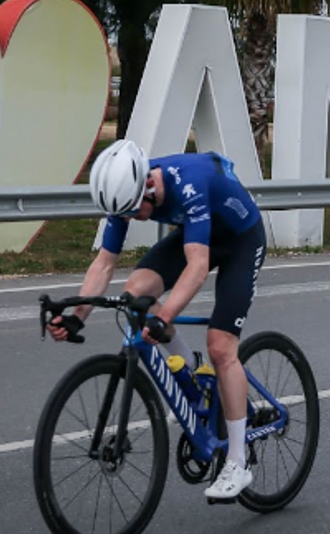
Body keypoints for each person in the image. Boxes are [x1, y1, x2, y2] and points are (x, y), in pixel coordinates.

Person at [47, 139, 267, 499]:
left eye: (135, 211)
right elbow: (104, 263)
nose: (131, 219)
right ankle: (190, 365)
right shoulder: (125, 194)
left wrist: (165, 316)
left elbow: (197, 268)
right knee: (135, 296)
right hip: (198, 235)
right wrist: (77, 316)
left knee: (221, 346)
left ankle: (238, 463)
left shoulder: (189, 182)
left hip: (241, 239)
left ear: (148, 185)